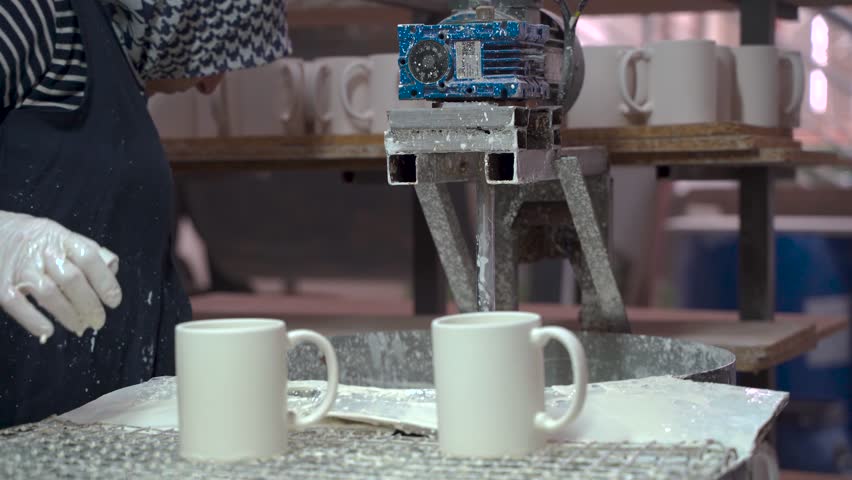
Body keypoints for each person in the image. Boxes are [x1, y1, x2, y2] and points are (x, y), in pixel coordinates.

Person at [0, 0, 290, 427]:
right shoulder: (39, 13)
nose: (211, 85)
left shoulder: (116, 68)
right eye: (210, 53)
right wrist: (6, 238)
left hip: (98, 427)